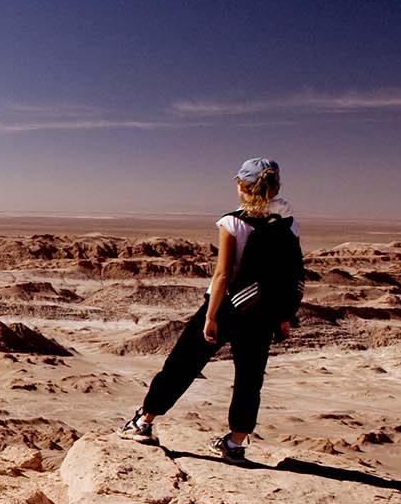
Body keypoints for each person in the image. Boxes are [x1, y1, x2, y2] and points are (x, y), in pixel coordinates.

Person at [120, 158, 304, 462]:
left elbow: (222, 275)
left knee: (183, 364)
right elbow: (287, 271)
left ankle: (144, 422)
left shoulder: (234, 222)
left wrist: (211, 316)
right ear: (275, 187)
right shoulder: (289, 223)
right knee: (250, 377)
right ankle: (235, 444)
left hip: (228, 306)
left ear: (242, 186)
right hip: (264, 311)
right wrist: (284, 315)